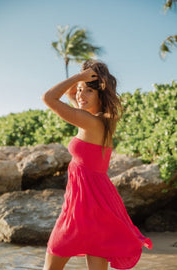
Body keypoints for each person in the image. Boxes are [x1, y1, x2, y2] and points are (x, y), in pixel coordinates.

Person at [42, 59, 153, 270]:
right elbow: (69, 94)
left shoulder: (89, 121)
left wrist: (78, 77)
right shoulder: (103, 119)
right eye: (80, 90)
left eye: (88, 92)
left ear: (101, 94)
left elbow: (48, 98)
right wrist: (84, 79)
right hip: (97, 202)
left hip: (82, 204)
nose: (80, 95)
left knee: (52, 262)